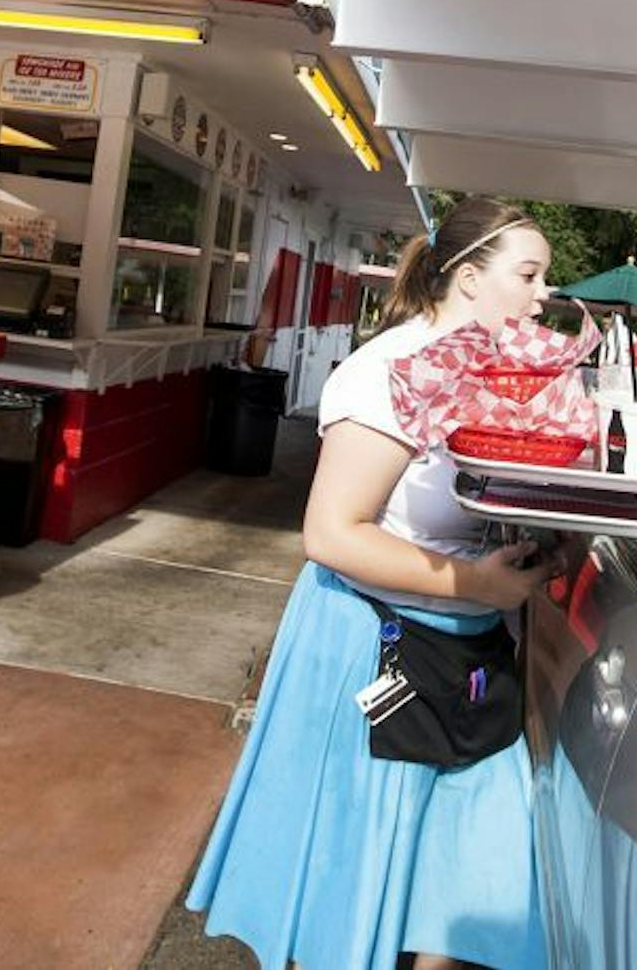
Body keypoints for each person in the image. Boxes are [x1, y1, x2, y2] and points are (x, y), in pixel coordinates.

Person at [189, 197, 557, 970]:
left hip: (472, 649)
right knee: (349, 886)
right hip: (374, 645)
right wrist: (479, 586)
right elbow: (330, 533)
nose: (543, 295)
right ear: (465, 277)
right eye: (528, 275)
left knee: (475, 871)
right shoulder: (387, 374)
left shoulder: (497, 379)